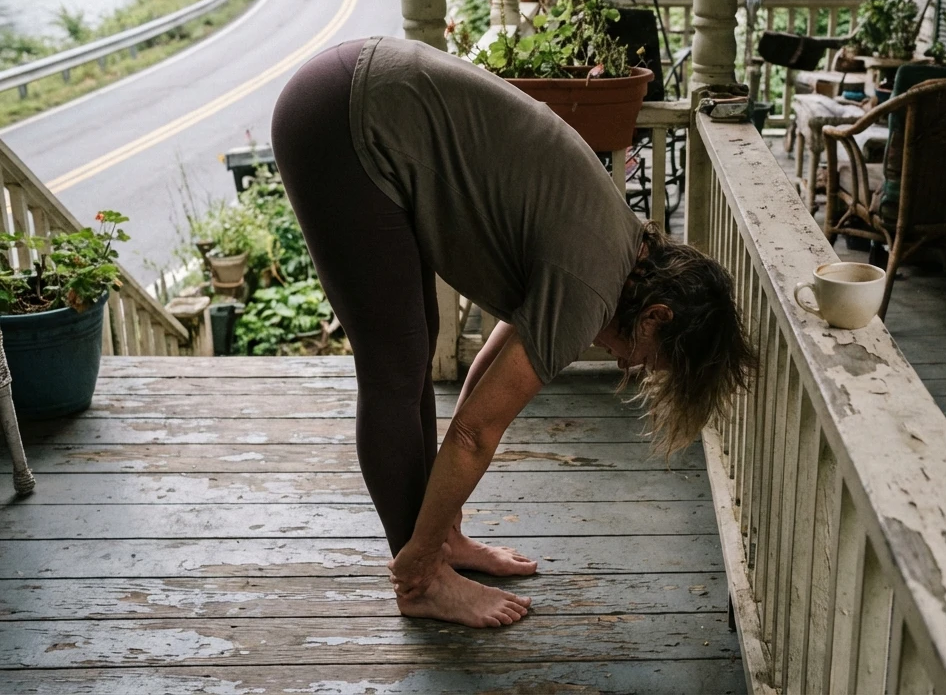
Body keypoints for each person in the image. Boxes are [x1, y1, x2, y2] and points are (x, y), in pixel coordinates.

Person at [271, 36, 755, 628]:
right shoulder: (591, 288)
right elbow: (475, 433)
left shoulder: (622, 246)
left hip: (358, 94)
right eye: (653, 360)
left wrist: (443, 527)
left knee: (411, 351)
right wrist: (420, 556)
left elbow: (481, 380)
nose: (635, 368)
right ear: (656, 315)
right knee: (394, 368)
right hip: (343, 123)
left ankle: (438, 545)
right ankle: (420, 579)